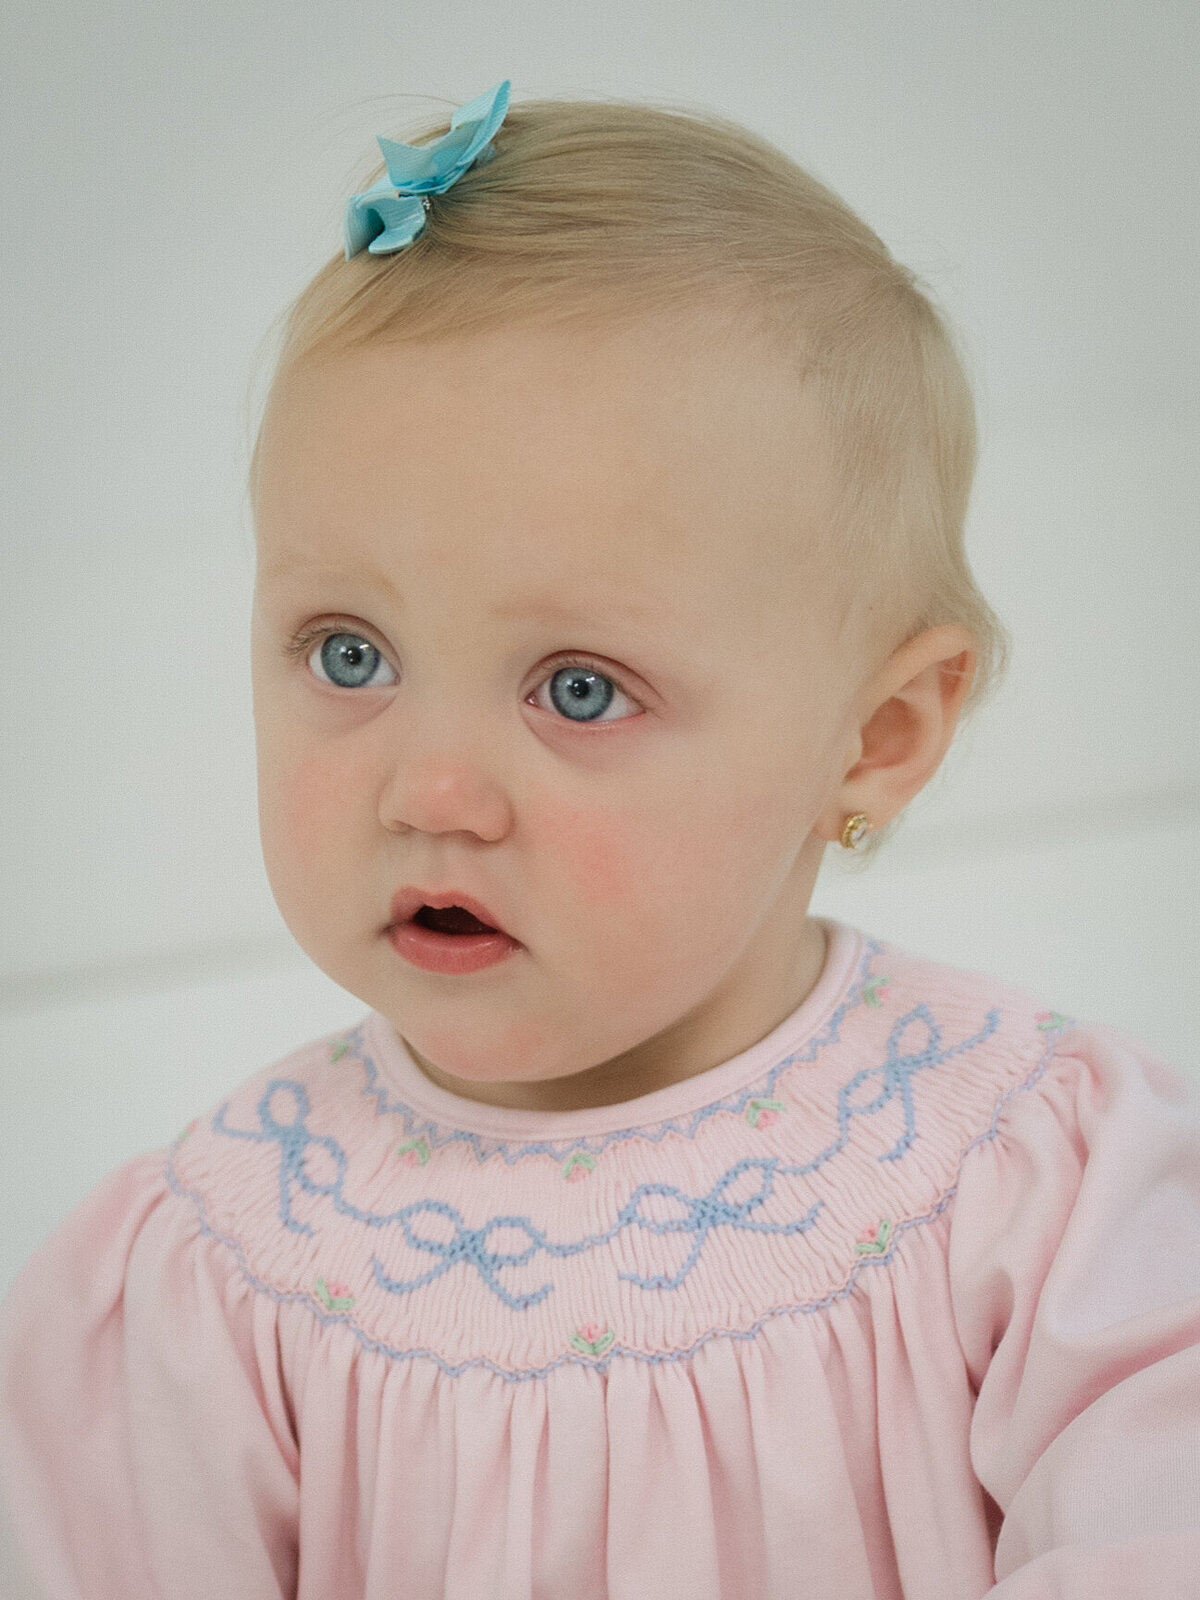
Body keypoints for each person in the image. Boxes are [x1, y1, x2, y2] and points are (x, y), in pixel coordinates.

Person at [1, 78, 1197, 1600]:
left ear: (877, 736)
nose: (432, 790)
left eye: (580, 689)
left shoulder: (1027, 1177)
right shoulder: (217, 1278)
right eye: (351, 655)